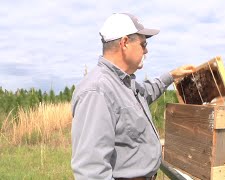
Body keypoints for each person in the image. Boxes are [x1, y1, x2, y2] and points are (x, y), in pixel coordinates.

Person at [71, 13, 195, 180]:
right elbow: (91, 171)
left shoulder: (124, 83)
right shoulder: (97, 91)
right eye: (143, 44)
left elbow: (146, 93)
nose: (146, 50)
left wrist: (172, 76)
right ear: (124, 43)